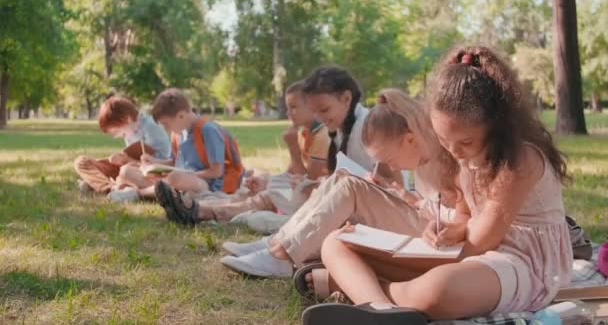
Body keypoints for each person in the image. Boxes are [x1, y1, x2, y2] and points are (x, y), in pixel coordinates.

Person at [309, 46, 573, 322]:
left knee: (438, 290)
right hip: (471, 255)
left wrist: (411, 260)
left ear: (497, 125)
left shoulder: (520, 160)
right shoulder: (461, 154)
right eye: (444, 141)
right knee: (335, 242)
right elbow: (465, 215)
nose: (455, 152)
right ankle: (381, 311)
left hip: (520, 262)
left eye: (466, 142)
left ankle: (364, 289)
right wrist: (450, 229)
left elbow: (482, 242)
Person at [219, 88, 445, 280]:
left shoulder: (442, 160)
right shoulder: (422, 155)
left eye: (390, 159)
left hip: (430, 234)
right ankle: (278, 244)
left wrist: (407, 198)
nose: (393, 167)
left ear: (410, 139)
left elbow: (446, 215)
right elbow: (424, 200)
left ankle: (283, 256)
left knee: (351, 187)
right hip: (419, 220)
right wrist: (393, 190)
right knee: (342, 177)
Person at [155, 80, 330, 225]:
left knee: (266, 196)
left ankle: (200, 212)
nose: (288, 113)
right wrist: (268, 180)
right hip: (300, 188)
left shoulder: (322, 136)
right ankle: (195, 206)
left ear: (312, 106)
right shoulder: (303, 132)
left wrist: (292, 148)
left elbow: (309, 184)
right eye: (287, 107)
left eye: (294, 107)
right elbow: (293, 171)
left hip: (315, 195)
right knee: (258, 188)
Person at [113, 88, 244, 203]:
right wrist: (154, 162)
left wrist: (184, 175)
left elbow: (216, 172)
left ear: (181, 116)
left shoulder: (207, 130)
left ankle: (139, 193)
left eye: (166, 124)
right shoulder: (178, 133)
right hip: (178, 179)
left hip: (208, 184)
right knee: (127, 170)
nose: (166, 129)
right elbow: (174, 162)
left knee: (175, 178)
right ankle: (160, 191)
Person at [74, 95, 171, 197]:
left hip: (145, 172)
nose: (116, 136)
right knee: (81, 162)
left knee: (125, 171)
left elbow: (158, 167)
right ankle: (110, 187)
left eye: (116, 131)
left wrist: (126, 160)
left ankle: (99, 184)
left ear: (127, 119)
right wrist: (120, 159)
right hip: (127, 167)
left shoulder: (151, 127)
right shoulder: (130, 128)